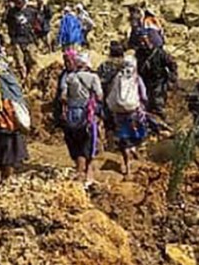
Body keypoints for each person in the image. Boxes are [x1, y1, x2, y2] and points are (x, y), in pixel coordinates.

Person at [60, 51, 103, 187]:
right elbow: (100, 96)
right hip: (87, 115)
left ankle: (80, 173)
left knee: (77, 143)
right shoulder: (93, 77)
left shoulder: (69, 77)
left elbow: (63, 97)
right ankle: (86, 175)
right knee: (89, 143)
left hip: (72, 115)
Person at [0, 55, 29, 182]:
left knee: (5, 152)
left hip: (3, 120)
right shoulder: (11, 79)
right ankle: (9, 177)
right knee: (12, 150)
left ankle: (7, 178)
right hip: (15, 120)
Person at [106, 55, 149, 176]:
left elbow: (110, 93)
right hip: (133, 112)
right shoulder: (137, 78)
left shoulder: (117, 77)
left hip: (118, 114)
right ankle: (133, 149)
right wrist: (143, 104)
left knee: (123, 138)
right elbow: (144, 95)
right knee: (137, 135)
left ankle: (127, 167)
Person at [135, 31, 177, 116]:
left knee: (158, 100)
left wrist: (172, 77)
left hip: (158, 80)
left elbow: (171, 64)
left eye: (144, 40)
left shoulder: (159, 53)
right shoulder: (139, 53)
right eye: (141, 41)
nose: (142, 43)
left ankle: (160, 114)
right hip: (145, 80)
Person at [96, 41, 126, 130]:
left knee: (109, 119)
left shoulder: (104, 65)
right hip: (124, 95)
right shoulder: (126, 65)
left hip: (108, 95)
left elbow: (98, 79)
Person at [3, 0, 35, 78]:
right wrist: (10, 37)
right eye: (17, 2)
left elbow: (36, 21)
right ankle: (23, 77)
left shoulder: (30, 11)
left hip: (28, 38)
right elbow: (7, 23)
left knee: (32, 59)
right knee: (19, 61)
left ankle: (31, 76)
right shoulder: (11, 12)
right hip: (17, 39)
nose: (19, 4)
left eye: (20, 2)